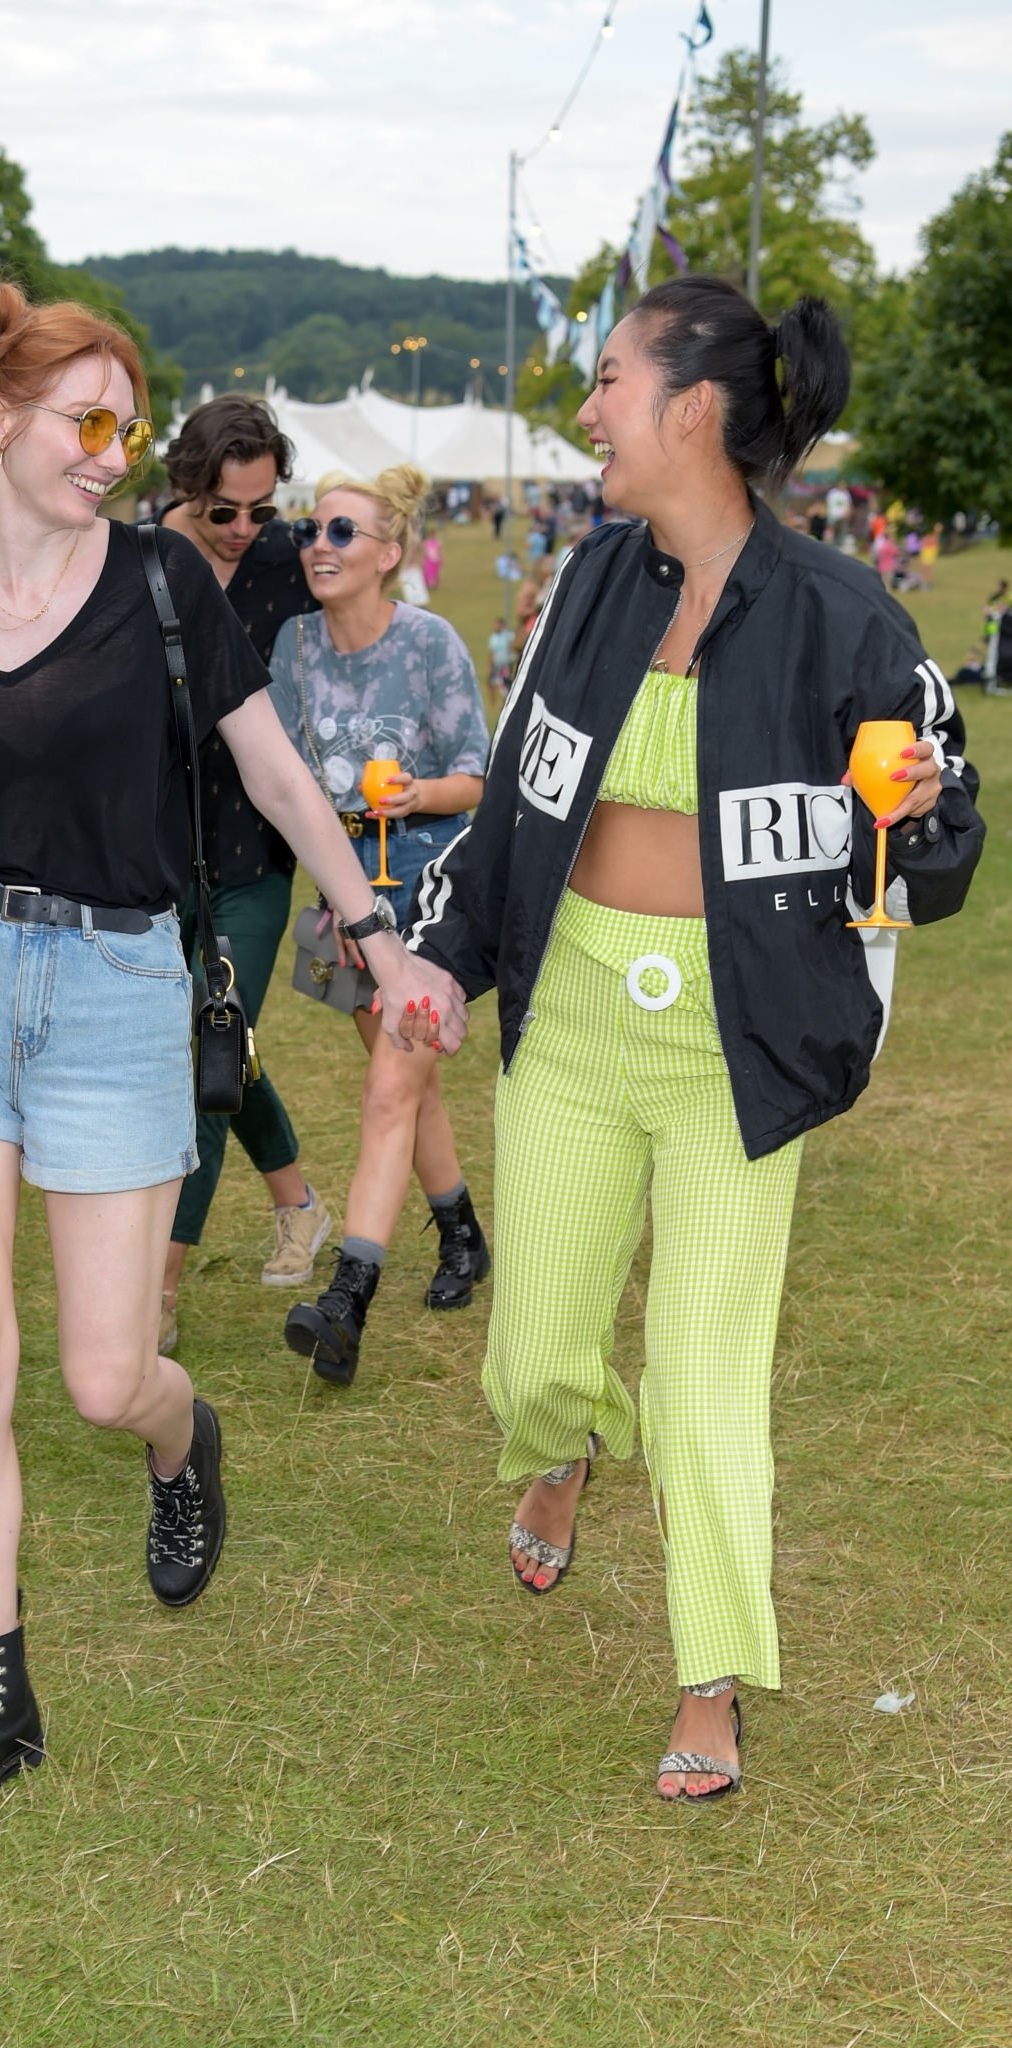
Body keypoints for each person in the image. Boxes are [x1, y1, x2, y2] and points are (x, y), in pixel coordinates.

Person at [0, 280, 467, 1833]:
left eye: (122, 423)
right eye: (84, 422)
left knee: (106, 1381)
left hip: (113, 987)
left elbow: (285, 785)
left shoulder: (163, 580)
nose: (111, 452)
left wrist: (379, 938)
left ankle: (186, 1437)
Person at [404, 275, 983, 1800]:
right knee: (530, 1351)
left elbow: (941, 859)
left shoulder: (848, 621)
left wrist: (920, 815)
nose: (584, 410)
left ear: (692, 411)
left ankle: (709, 1675)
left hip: (736, 1046)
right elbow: (521, 794)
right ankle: (563, 1442)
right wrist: (436, 958)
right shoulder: (588, 584)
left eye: (605, 381)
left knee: (705, 1374)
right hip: (572, 1021)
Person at [267, 463, 492, 1386]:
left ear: (389, 554)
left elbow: (480, 780)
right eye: (312, 531)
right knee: (409, 1081)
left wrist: (414, 793)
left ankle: (347, 1299)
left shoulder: (430, 644)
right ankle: (463, 1236)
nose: (319, 546)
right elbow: (281, 781)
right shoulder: (292, 646)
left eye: (342, 533)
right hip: (346, 894)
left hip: (434, 882)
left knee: (391, 1087)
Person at [156, 395, 331, 1352]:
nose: (244, 531)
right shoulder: (140, 559)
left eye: (263, 510)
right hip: (153, 853)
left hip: (257, 856)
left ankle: (160, 1291)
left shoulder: (283, 561)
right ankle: (298, 1203)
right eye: (224, 511)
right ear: (186, 486)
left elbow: (360, 632)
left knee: (209, 1049)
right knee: (215, 1035)